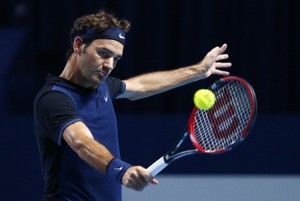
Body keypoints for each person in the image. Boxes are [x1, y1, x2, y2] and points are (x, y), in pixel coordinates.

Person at [34, 9, 232, 201]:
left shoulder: (102, 86)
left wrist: (198, 71)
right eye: (103, 53)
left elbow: (141, 86)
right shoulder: (55, 99)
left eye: (116, 59)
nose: (110, 65)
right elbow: (81, 142)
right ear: (78, 45)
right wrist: (121, 170)